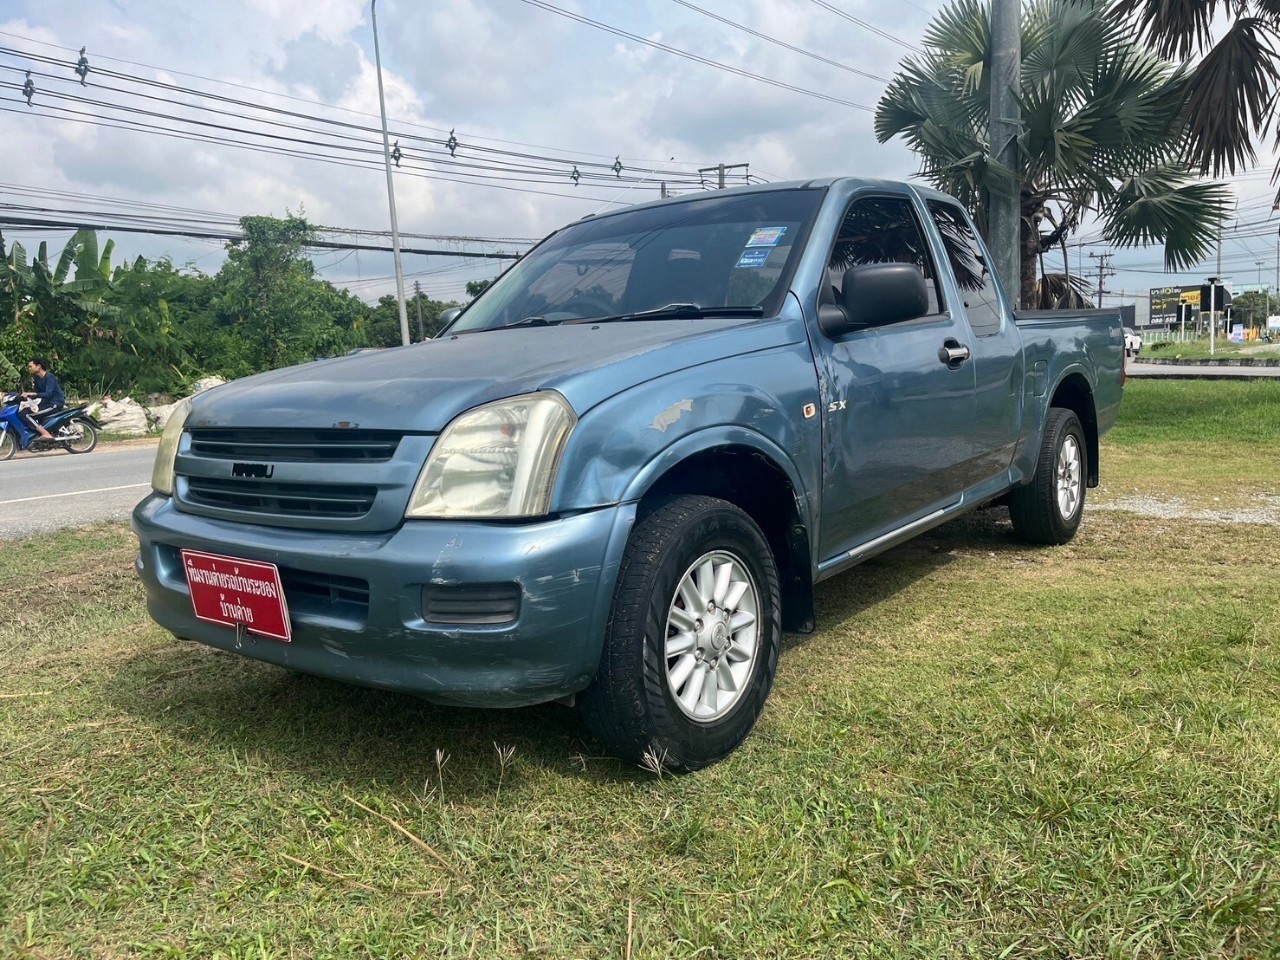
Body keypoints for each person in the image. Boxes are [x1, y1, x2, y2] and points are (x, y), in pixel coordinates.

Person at [20, 357, 64, 441]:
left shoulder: (49, 377)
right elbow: (36, 393)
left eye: (30, 366)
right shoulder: (37, 378)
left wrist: (32, 394)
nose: (29, 369)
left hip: (54, 403)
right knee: (24, 411)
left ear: (38, 366)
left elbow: (48, 394)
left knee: (27, 415)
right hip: (46, 403)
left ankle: (46, 434)